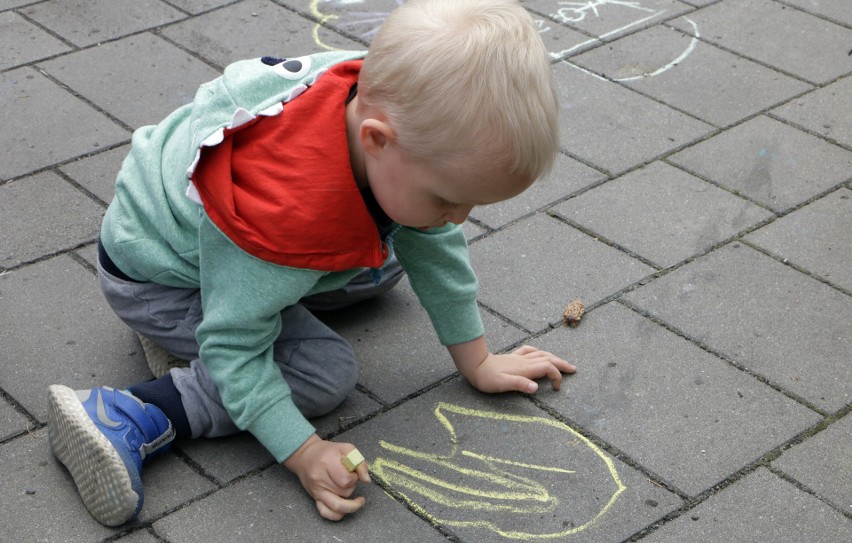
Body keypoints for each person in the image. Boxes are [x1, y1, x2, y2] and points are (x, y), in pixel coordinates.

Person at [46, 0, 574, 527]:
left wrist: (477, 361)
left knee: (386, 256)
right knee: (324, 375)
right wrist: (303, 452)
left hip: (211, 243)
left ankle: (200, 325)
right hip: (155, 278)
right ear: (376, 141)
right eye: (448, 200)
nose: (459, 219)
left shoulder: (381, 97)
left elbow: (432, 242)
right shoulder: (284, 212)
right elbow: (236, 344)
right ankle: (131, 413)